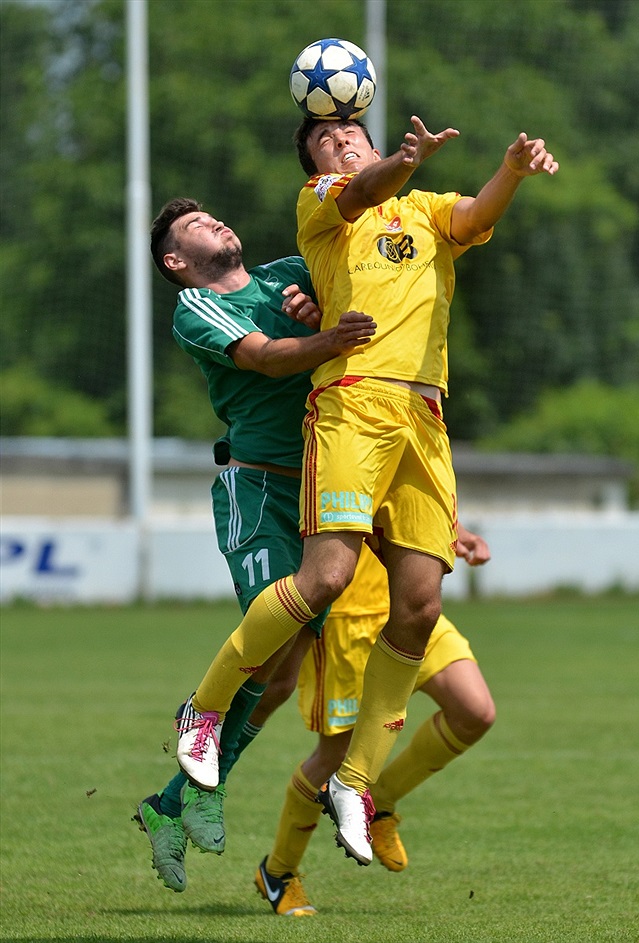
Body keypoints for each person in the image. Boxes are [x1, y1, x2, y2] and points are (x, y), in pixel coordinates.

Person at [173, 117, 559, 867]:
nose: (340, 142)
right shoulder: (324, 203)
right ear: (315, 165)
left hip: (425, 413)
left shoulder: (423, 211)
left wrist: (510, 168)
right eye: (324, 139)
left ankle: (358, 784)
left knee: (420, 604)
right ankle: (206, 710)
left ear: (377, 140)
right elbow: (360, 190)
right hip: (352, 401)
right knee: (326, 578)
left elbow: (475, 217)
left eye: (352, 131)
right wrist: (399, 164)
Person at [134, 196, 375, 893]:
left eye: (211, 215)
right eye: (194, 228)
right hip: (258, 492)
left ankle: (173, 801)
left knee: (283, 673)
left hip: (318, 494)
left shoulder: (290, 272)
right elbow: (267, 359)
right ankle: (197, 733)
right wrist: (327, 339)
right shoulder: (195, 308)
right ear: (178, 262)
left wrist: (322, 315)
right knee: (273, 641)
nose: (214, 222)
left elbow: (357, 307)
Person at [252, 529, 494, 917]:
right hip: (345, 623)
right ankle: (278, 871)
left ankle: (378, 800)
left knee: (474, 712)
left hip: (407, 606)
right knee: (334, 759)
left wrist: (453, 528)